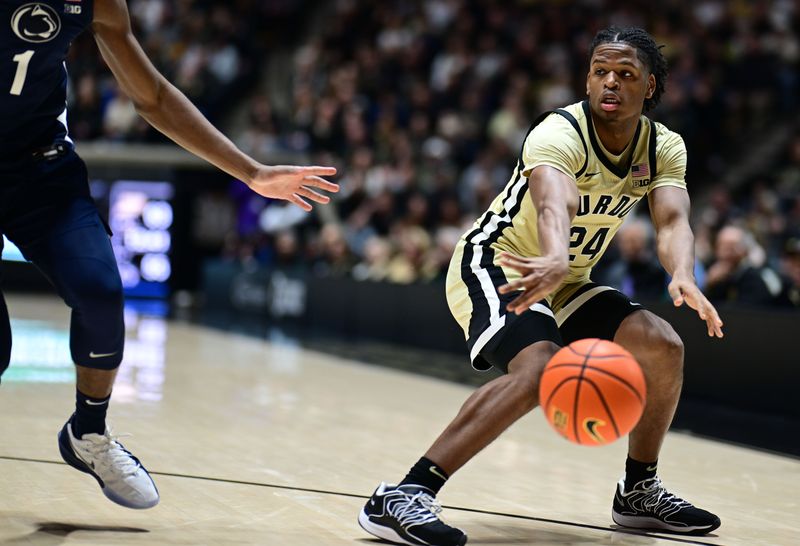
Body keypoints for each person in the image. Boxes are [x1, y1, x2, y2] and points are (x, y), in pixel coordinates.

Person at [359, 27, 724, 545]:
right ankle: (403, 495)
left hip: (567, 279)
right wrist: (553, 251)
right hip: (501, 261)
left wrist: (683, 273)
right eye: (600, 72)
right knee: (541, 371)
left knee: (662, 345)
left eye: (626, 74)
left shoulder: (663, 146)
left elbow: (671, 221)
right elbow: (556, 201)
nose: (610, 83)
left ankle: (638, 491)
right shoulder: (558, 131)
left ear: (651, 88)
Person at [0, 0, 337, 509]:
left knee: (101, 293)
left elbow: (152, 96)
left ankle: (87, 433)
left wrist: (251, 172)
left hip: (40, 170)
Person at [704, 225, 786, 306]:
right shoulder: (711, 272)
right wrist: (709, 285)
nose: (727, 252)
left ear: (745, 250)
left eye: (732, 246)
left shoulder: (754, 278)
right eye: (722, 246)